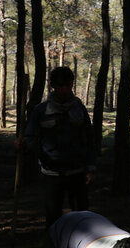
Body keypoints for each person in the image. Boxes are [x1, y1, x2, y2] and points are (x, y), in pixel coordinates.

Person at [21, 66, 96, 229]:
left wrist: (90, 167)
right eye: (61, 85)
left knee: (82, 216)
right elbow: (31, 136)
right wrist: (23, 144)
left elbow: (89, 138)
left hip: (77, 172)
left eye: (68, 85)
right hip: (52, 173)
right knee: (53, 217)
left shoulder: (79, 109)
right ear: (54, 86)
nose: (65, 89)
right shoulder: (41, 110)